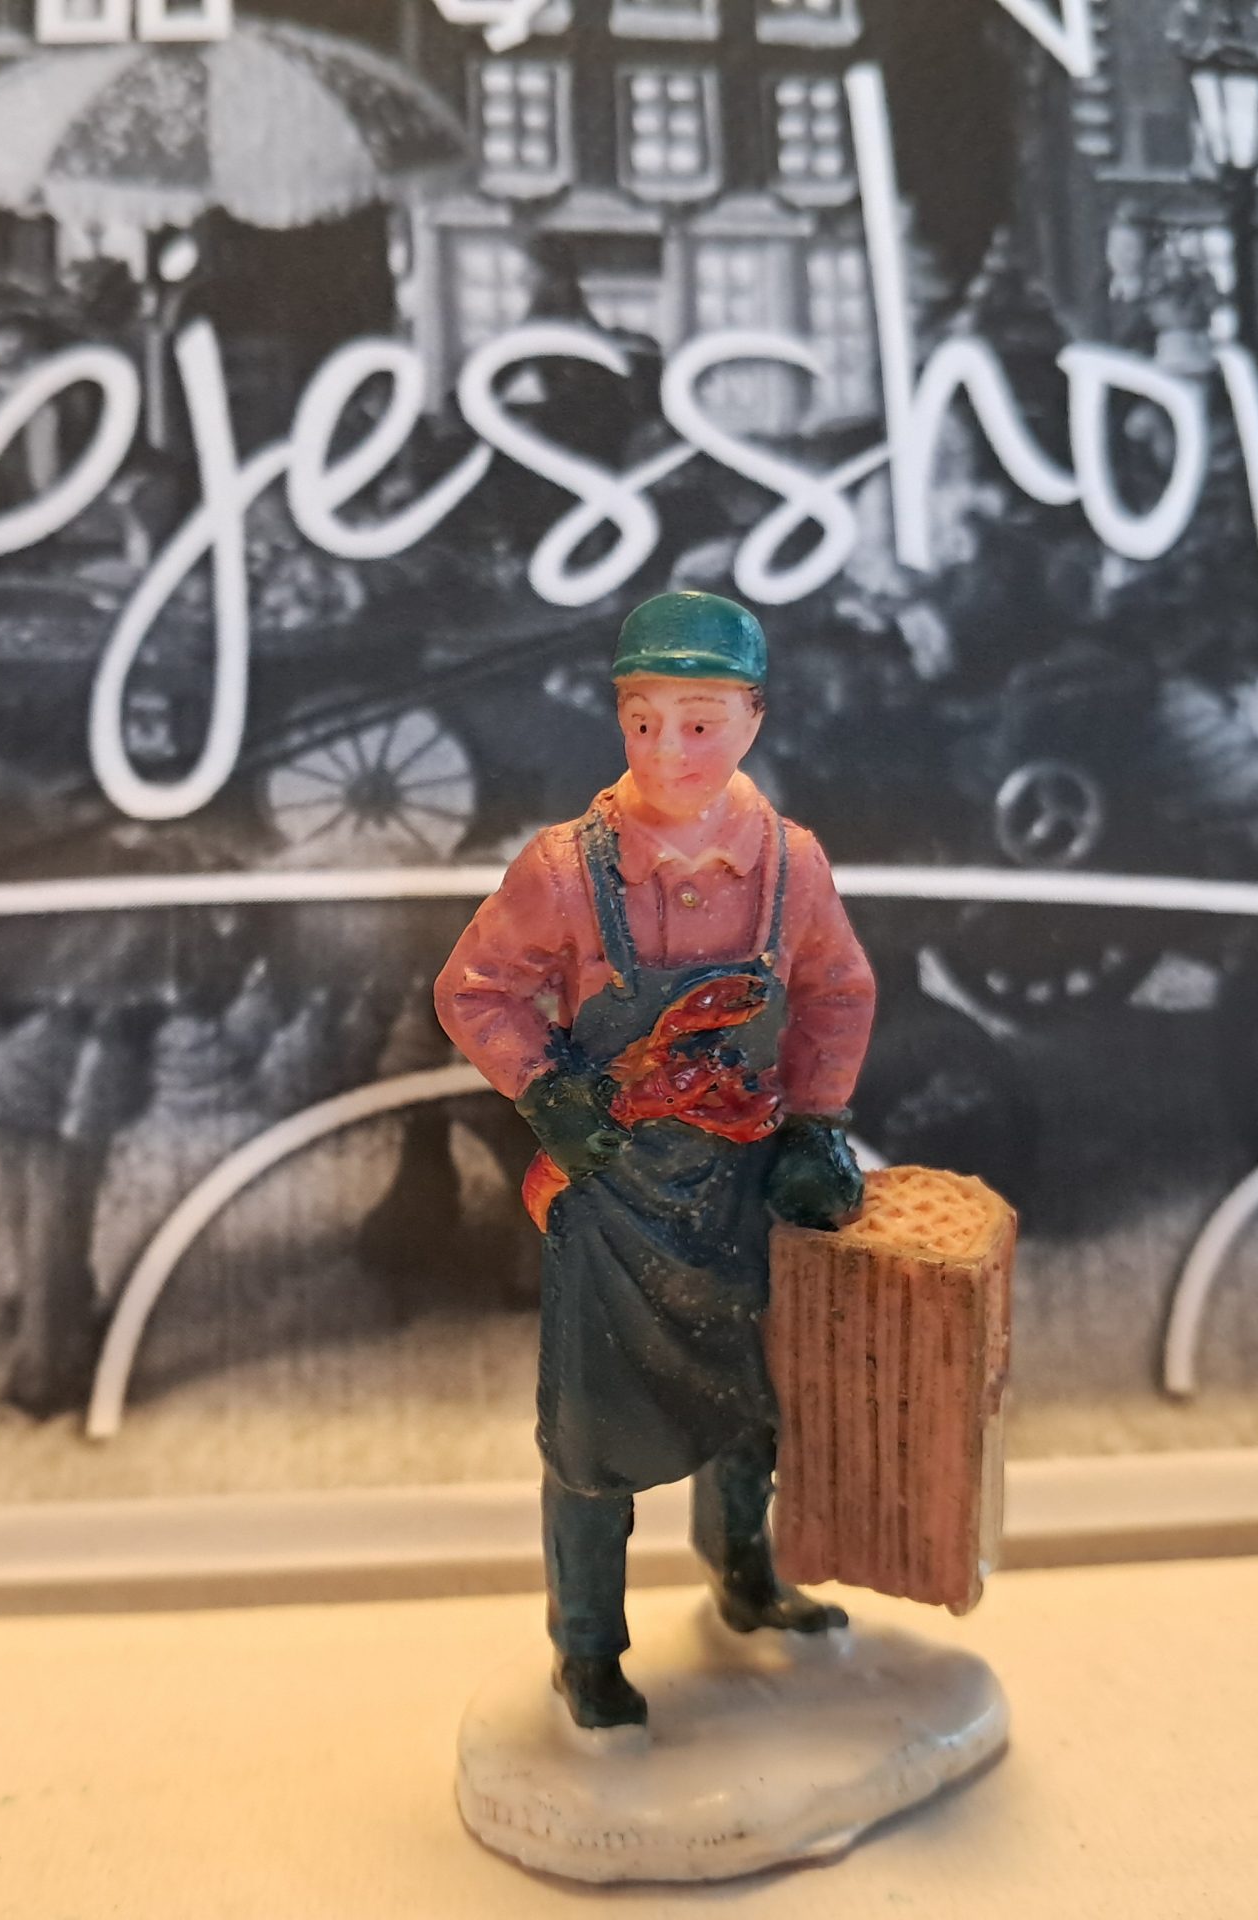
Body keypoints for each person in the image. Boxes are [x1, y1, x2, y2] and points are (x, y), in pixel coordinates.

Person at [434, 591, 877, 1733]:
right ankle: (587, 1648)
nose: (670, 749)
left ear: (754, 719)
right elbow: (474, 990)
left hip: (743, 1186)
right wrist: (550, 1093)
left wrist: (816, 1124)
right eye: (644, 721)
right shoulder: (564, 870)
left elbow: (836, 991)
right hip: (616, 1193)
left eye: (700, 722)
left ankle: (744, 1577)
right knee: (590, 1441)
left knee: (753, 1405)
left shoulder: (791, 866)